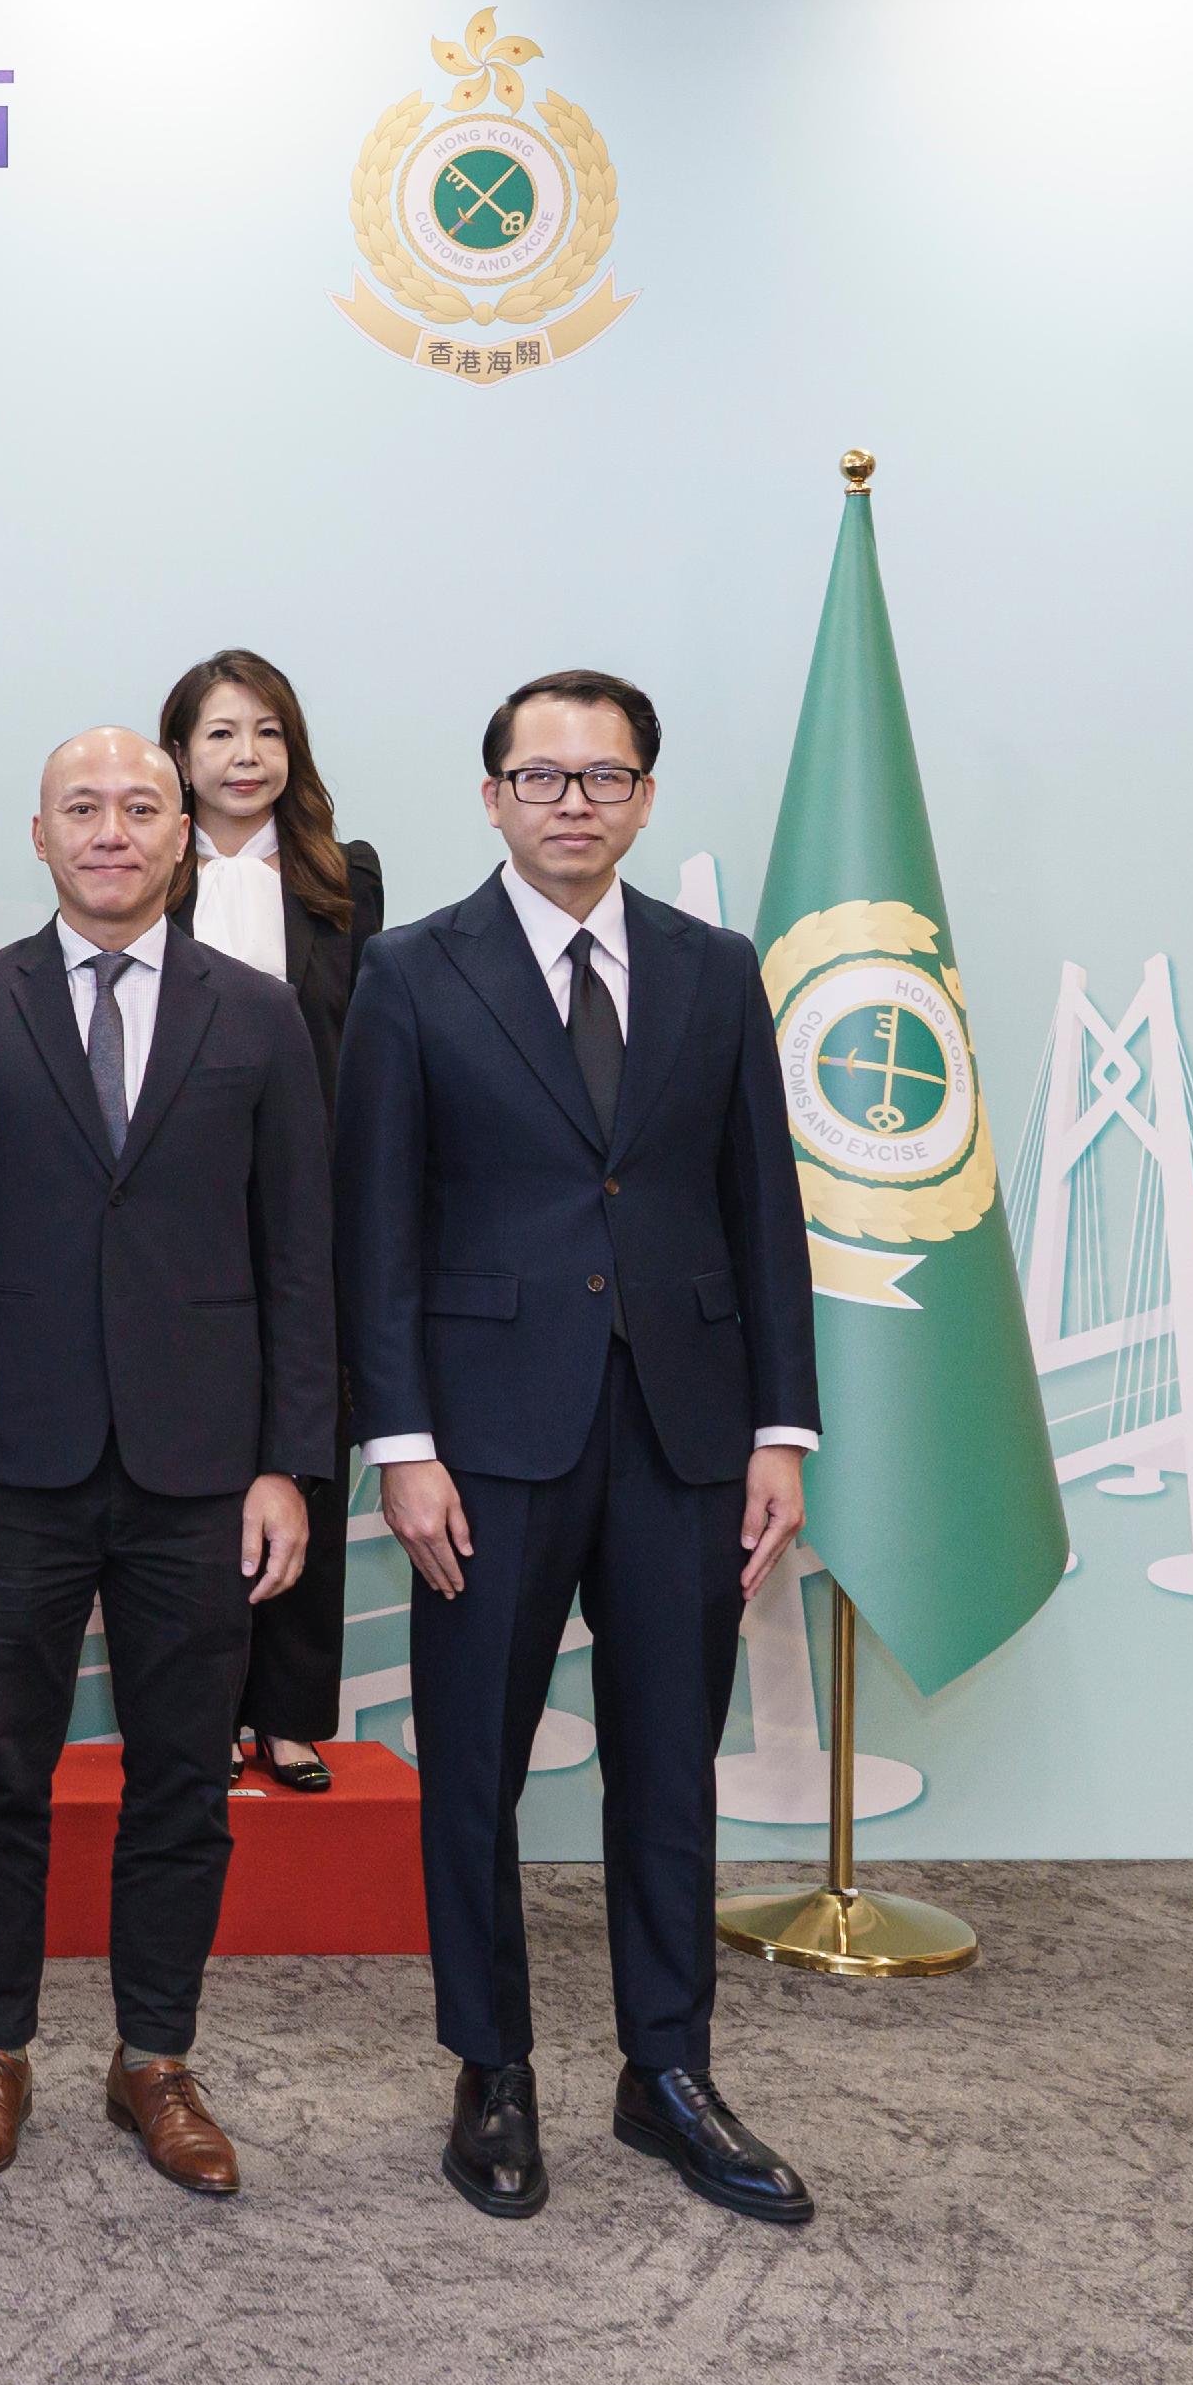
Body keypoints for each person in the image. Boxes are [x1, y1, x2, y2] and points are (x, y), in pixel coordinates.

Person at [336, 671, 819, 2227]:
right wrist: (401, 1441)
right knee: (472, 1767)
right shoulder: (412, 974)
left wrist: (780, 1432)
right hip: (483, 1438)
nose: (572, 801)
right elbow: (378, 1229)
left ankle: (666, 2068)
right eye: (540, 777)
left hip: (686, 1426)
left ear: (645, 799)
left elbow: (764, 1214)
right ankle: (493, 2065)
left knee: (671, 1760)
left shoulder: (714, 969)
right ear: (491, 798)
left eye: (604, 776)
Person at [0, 727, 335, 2199]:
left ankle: (155, 2052)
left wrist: (288, 1462)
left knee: (177, 1784)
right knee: (2, 1772)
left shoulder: (261, 1014)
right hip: (10, 1460)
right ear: (37, 833)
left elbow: (298, 1259)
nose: (114, 829)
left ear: (184, 833)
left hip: (203, 1465)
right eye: (84, 806)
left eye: (143, 807)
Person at [158, 647, 385, 1796]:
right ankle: (196, 1710)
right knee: (187, 1469)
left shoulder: (344, 876)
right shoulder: (143, 870)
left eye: (266, 734)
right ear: (179, 756)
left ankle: (290, 1713)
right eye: (218, 734)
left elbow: (369, 1048)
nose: (243, 756)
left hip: (314, 1210)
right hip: (177, 1211)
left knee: (305, 1462)